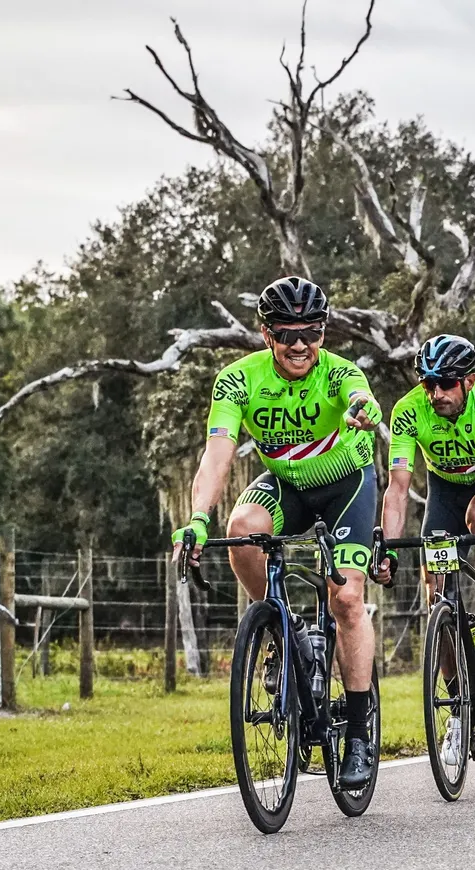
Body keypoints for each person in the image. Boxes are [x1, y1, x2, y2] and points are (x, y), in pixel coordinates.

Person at [174, 276, 383, 786]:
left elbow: (358, 395)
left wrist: (363, 408)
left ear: (323, 334)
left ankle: (358, 734)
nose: (300, 344)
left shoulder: (340, 373)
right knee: (241, 528)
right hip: (289, 486)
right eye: (288, 333)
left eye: (312, 332)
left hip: (346, 485)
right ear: (266, 334)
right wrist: (197, 518)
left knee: (346, 599)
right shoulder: (238, 380)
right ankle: (283, 631)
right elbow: (217, 457)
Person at [376, 334, 475, 770]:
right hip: (443, 490)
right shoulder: (408, 410)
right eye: (428, 383)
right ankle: (458, 712)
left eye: (445, 383)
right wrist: (388, 548)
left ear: (469, 381)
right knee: (436, 594)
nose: (436, 393)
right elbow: (398, 488)